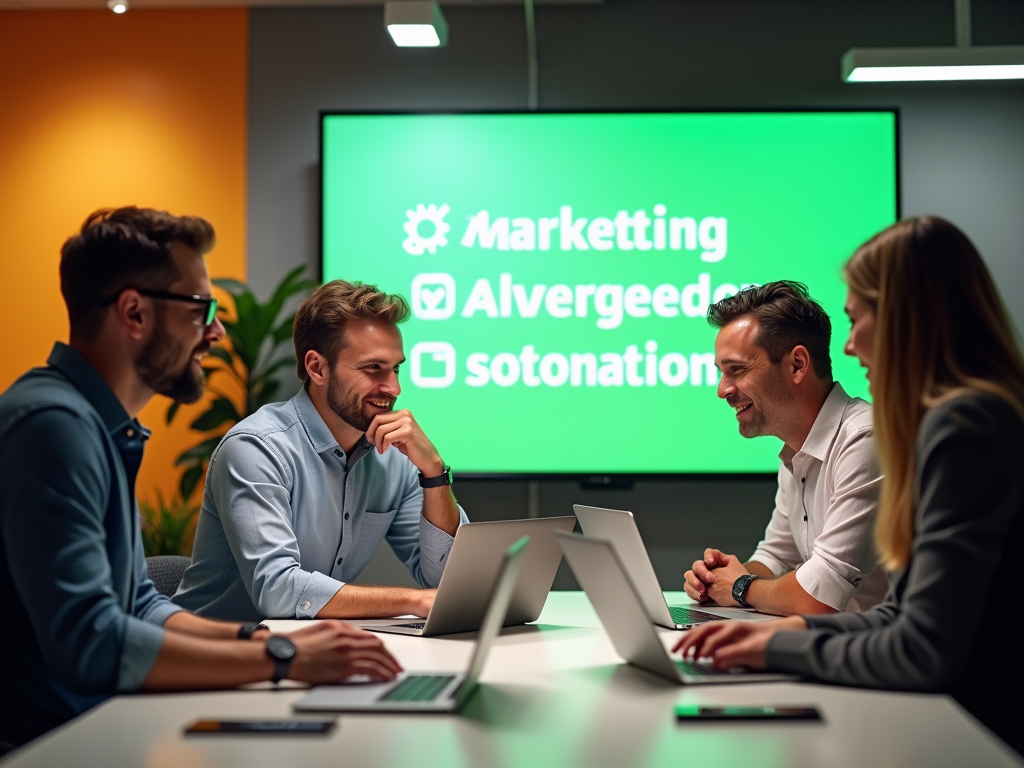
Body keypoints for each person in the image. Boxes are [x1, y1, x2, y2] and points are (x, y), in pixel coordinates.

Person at [0, 208, 402, 750]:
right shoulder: (53, 426)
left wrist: (259, 644)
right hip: (55, 743)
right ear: (135, 313)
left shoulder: (98, 427)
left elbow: (138, 604)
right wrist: (281, 657)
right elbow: (91, 642)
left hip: (99, 724)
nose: (214, 330)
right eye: (199, 308)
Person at [675, 217, 1024, 756]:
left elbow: (923, 649)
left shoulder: (965, 426)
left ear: (910, 321)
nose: (854, 345)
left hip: (976, 734)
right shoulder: (963, 420)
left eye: (860, 319)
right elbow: (901, 614)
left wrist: (771, 637)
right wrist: (775, 633)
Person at [173, 280, 469, 622]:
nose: (394, 387)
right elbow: (277, 589)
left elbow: (447, 581)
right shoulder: (256, 448)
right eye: (373, 368)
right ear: (317, 368)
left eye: (396, 367)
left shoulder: (392, 457)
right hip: (209, 657)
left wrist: (434, 471)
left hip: (303, 651)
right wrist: (413, 601)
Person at [682, 281, 888, 616]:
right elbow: (777, 559)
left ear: (797, 365)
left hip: (876, 662)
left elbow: (818, 596)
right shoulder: (796, 451)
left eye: (736, 370)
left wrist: (740, 587)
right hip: (830, 651)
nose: (722, 390)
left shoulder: (865, 439)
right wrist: (718, 580)